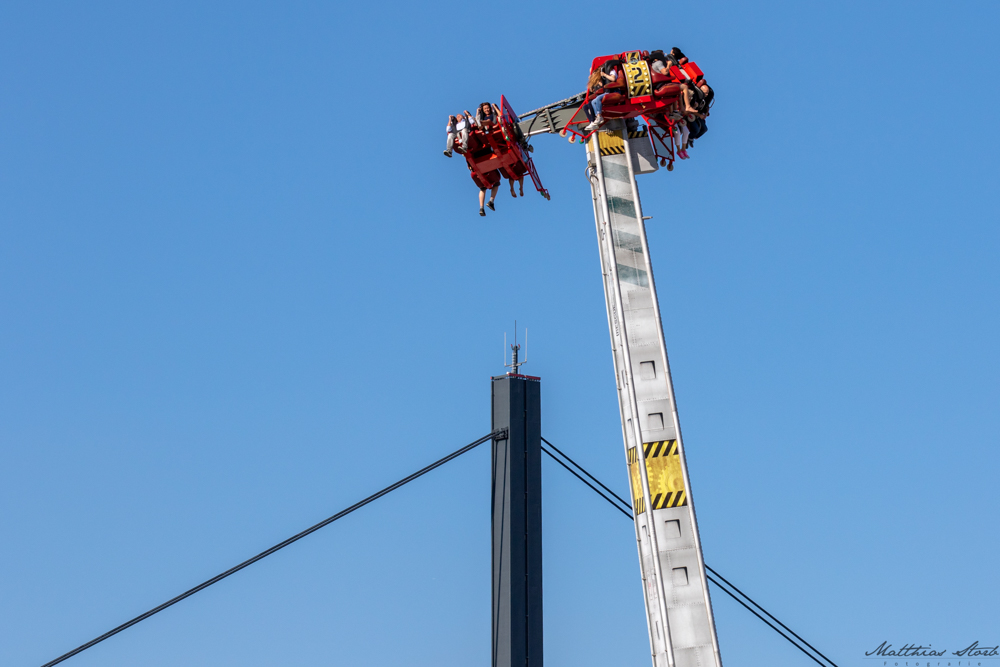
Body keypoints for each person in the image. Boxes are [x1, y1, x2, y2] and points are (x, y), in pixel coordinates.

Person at [584, 63, 620, 132]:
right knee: (591, 103)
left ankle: (598, 116)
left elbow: (612, 79)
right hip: (607, 91)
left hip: (613, 91)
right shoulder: (605, 74)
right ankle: (596, 118)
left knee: (595, 100)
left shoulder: (611, 72)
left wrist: (604, 75)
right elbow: (592, 90)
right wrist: (591, 81)